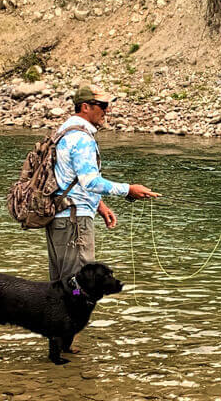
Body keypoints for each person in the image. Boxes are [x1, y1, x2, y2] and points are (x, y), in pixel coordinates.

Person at [46, 86, 159, 348]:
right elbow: (89, 180)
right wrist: (128, 189)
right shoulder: (82, 138)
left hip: (60, 219)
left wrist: (100, 206)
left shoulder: (63, 132)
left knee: (64, 285)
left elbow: (69, 180)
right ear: (85, 106)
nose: (106, 111)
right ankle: (63, 351)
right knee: (79, 287)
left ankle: (58, 350)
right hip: (75, 223)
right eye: (102, 105)